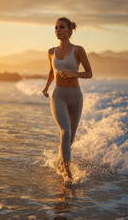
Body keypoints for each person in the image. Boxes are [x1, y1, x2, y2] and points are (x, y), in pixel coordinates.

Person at [42, 17, 93, 180]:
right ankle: (68, 173)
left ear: (70, 30)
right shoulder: (51, 52)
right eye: (55, 28)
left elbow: (89, 73)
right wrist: (46, 87)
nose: (57, 30)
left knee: (70, 138)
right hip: (59, 96)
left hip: (75, 97)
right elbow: (52, 71)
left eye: (61, 27)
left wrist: (75, 74)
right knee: (65, 130)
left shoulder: (78, 50)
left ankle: (60, 162)